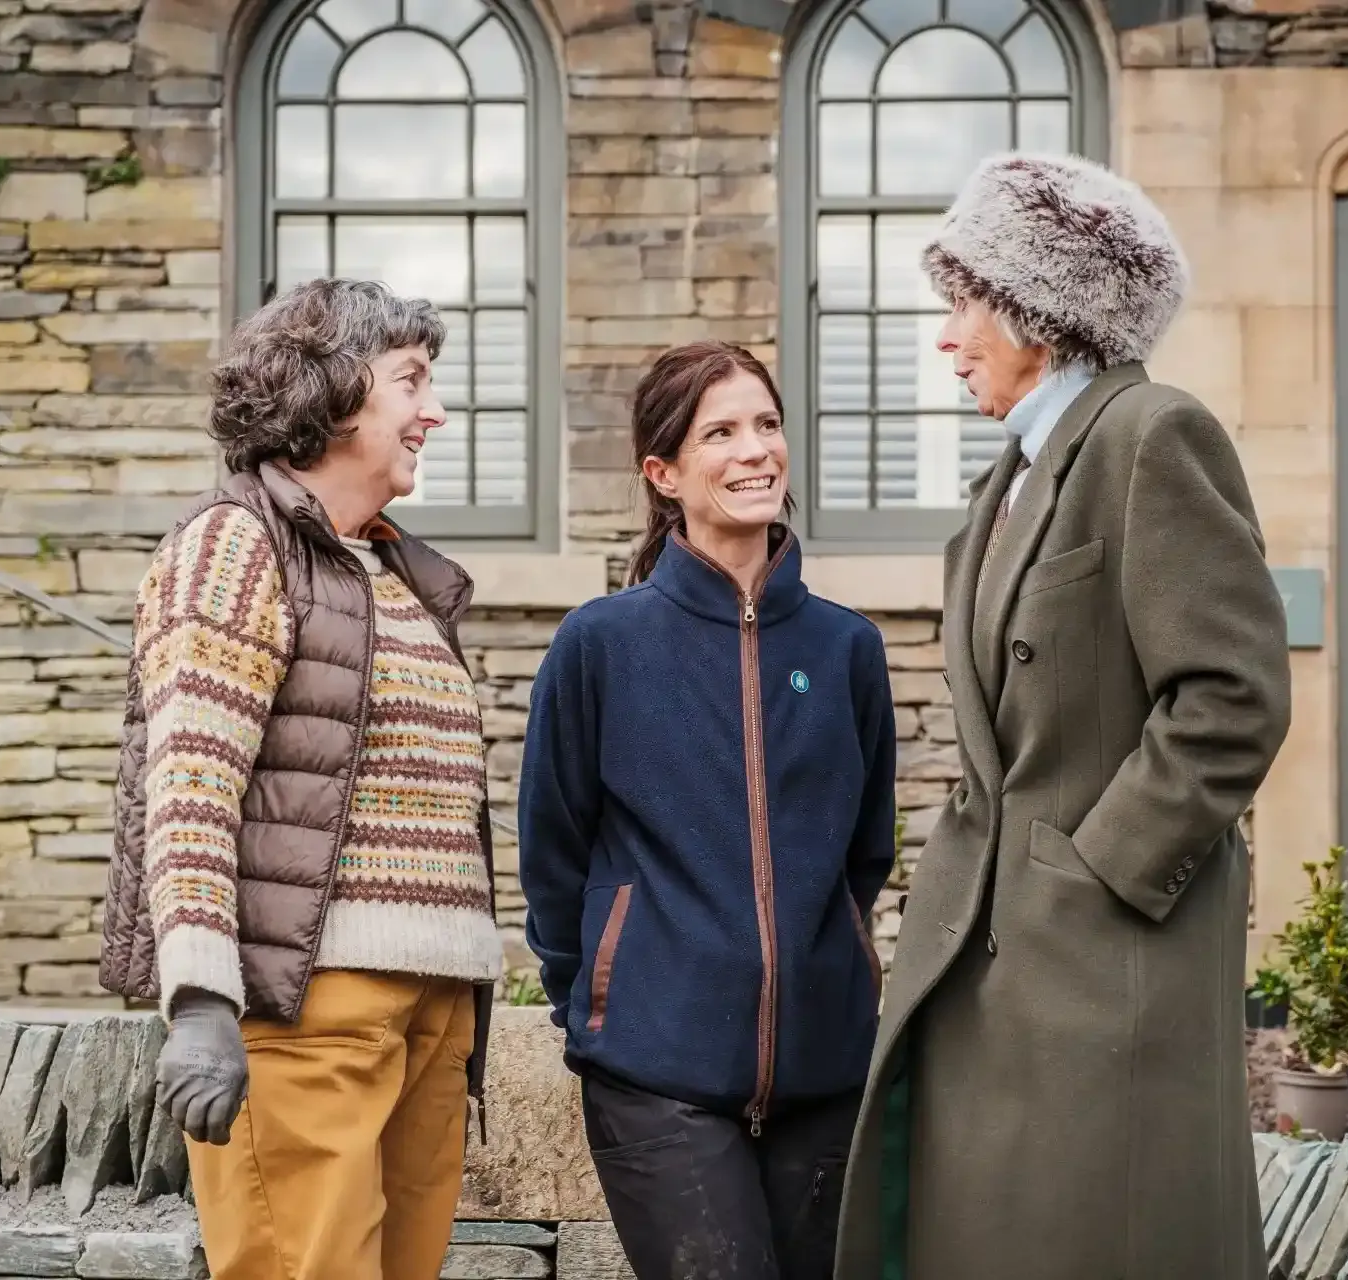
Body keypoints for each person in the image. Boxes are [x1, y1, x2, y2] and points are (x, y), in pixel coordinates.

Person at [832, 153, 1294, 1279]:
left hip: (1100, 960)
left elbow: (1232, 696)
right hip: (1004, 953)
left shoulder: (1151, 434)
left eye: (965, 304)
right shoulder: (1016, 477)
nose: (947, 339)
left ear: (1042, 308)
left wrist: (1098, 873)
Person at [98, 278, 505, 1280]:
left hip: (430, 1004)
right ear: (331, 394)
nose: (435, 410)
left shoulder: (394, 572)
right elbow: (190, 785)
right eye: (411, 381)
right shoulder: (235, 544)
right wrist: (199, 997)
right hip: (302, 1004)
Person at [518, 340, 898, 1280]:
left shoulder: (847, 649)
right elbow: (553, 848)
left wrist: (833, 973)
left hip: (826, 1076)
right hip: (656, 1072)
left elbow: (865, 850)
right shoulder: (601, 645)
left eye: (766, 425)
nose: (755, 450)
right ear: (664, 472)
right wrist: (599, 1000)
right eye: (719, 432)